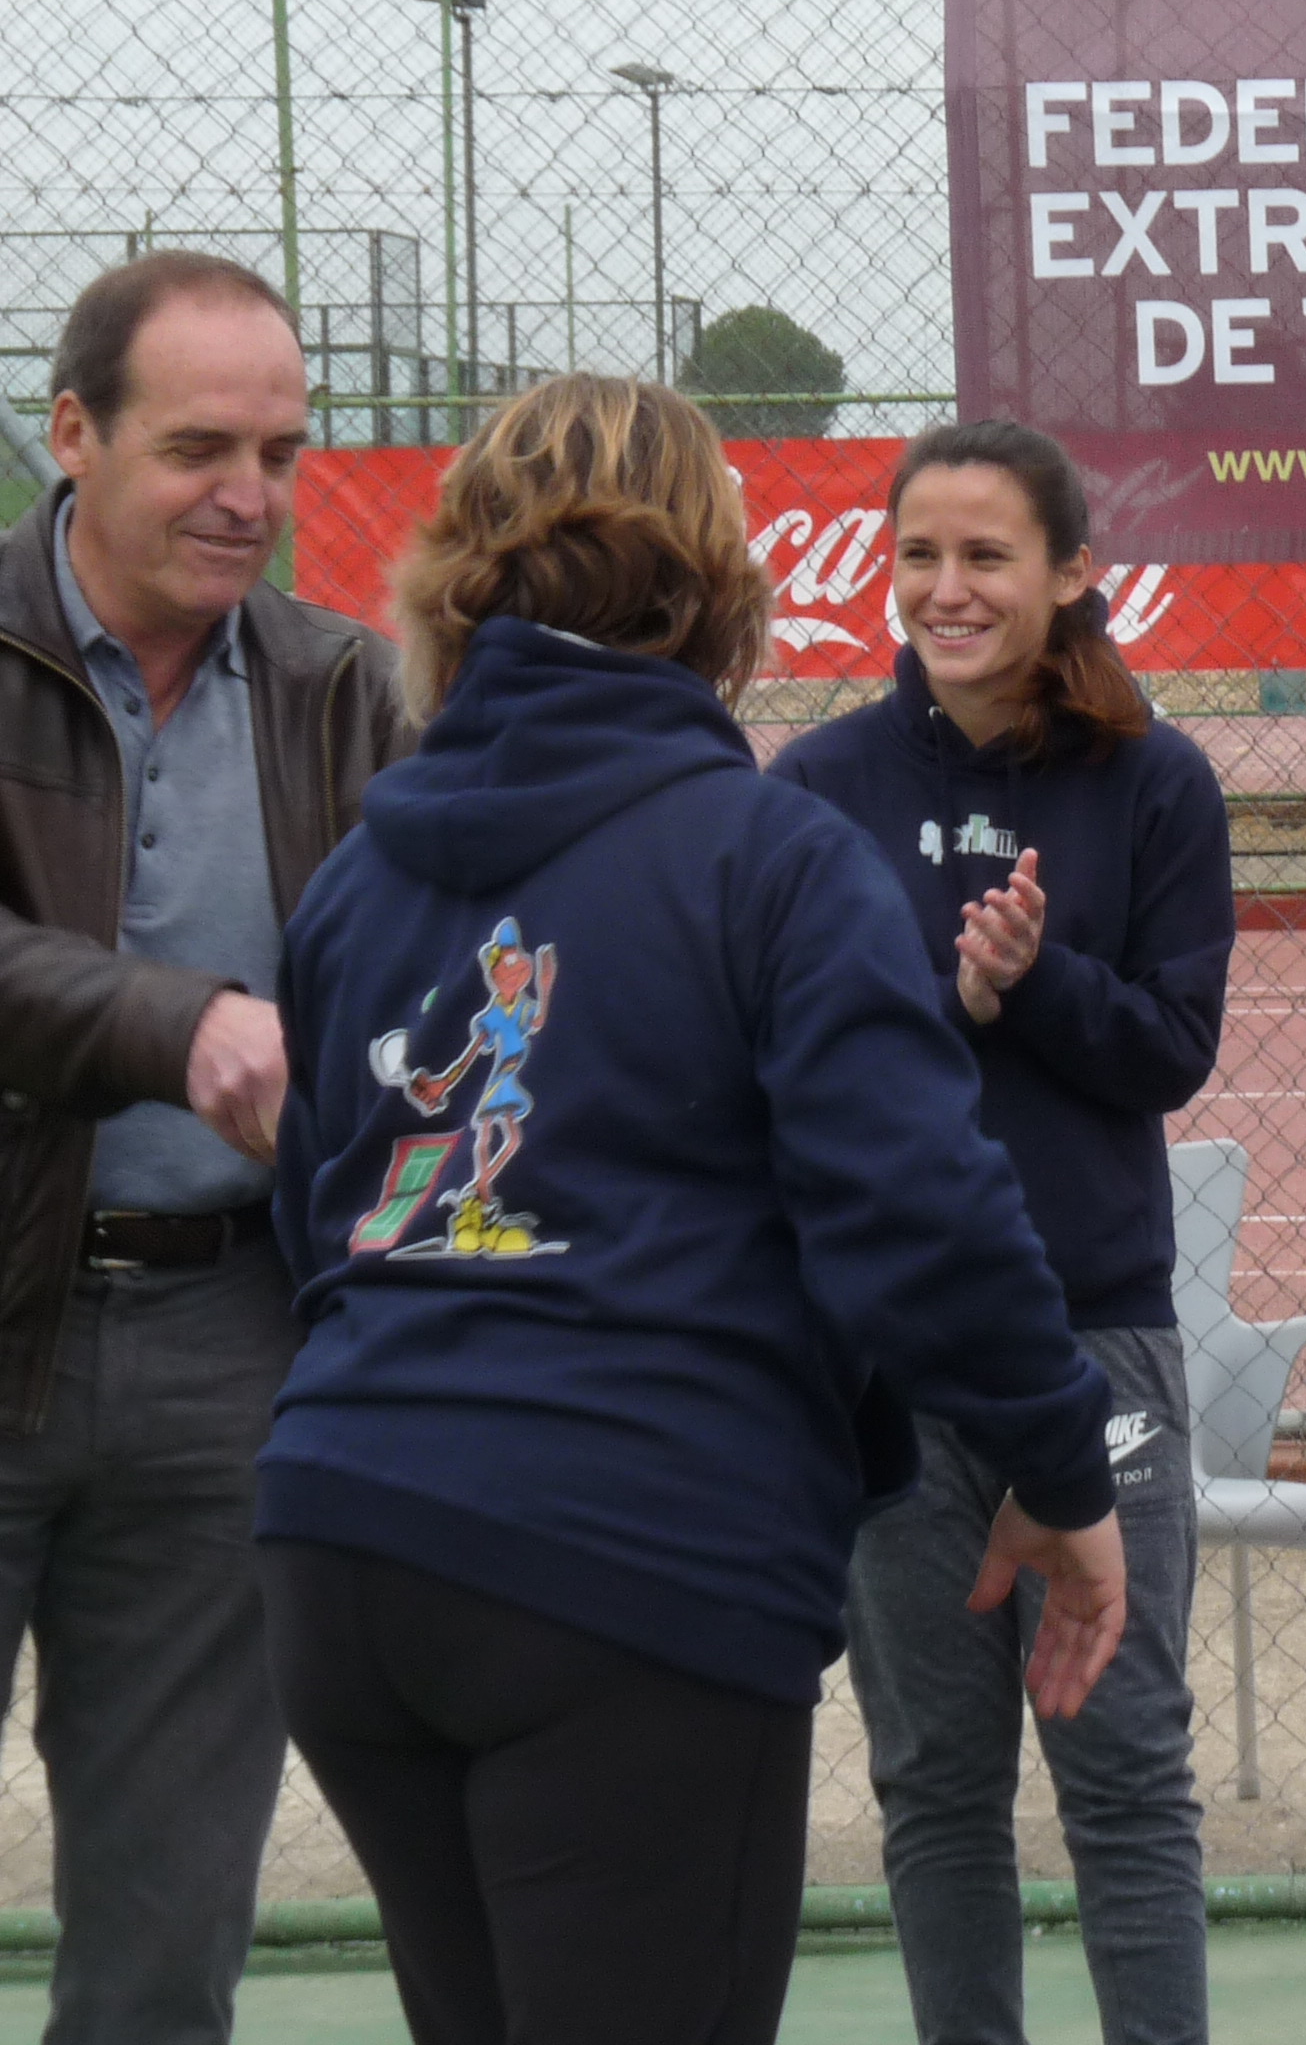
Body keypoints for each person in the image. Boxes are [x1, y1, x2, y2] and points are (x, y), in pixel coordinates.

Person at [256, 376, 1130, 2045]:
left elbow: (316, 1213)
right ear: (716, 589)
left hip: (343, 1533)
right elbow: (915, 1207)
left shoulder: (359, 877)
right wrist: (1060, 1457)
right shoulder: (769, 857)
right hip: (629, 1551)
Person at [773, 420, 1234, 2045]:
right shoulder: (818, 788)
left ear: (1071, 574)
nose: (947, 589)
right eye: (919, 555)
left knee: (1127, 1775)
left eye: (986, 556)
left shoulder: (1155, 781)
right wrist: (947, 996)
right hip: (891, 1359)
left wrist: (1036, 984)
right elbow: (787, 1056)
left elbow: (1172, 1047)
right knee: (935, 1785)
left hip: (1097, 1345)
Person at [0, 251, 413, 2041]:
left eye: (282, 452)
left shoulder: (345, 689)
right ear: (72, 433)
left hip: (232, 1346)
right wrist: (176, 1023)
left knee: (167, 1949)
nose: (250, 495)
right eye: (198, 449)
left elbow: (443, 975)